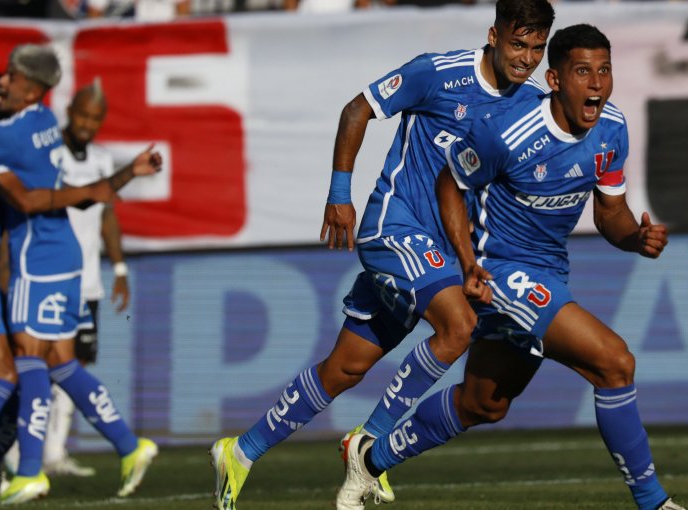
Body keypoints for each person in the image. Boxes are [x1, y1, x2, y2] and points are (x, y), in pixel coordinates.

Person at [210, 1, 554, 508]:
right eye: (517, 44)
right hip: (394, 228)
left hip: (440, 255)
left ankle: (239, 451)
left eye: (537, 49)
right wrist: (339, 193)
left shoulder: (529, 107)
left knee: (344, 369)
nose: (526, 58)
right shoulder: (436, 73)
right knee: (457, 326)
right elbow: (358, 109)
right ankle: (369, 441)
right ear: (494, 35)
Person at [339, 24, 686, 510]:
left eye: (604, 71)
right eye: (583, 71)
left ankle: (369, 461)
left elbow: (610, 213)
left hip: (548, 269)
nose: (597, 84)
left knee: (483, 404)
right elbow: (448, 183)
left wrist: (635, 237)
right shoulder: (508, 134)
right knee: (614, 361)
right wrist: (466, 264)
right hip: (499, 271)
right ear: (555, 80)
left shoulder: (612, 129)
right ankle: (654, 502)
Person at [0, 44, 161, 504]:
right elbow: (74, 192)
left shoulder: (3, 136)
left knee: (29, 358)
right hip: (66, 256)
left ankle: (28, 470)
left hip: (36, 257)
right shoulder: (44, 123)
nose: (1, 81)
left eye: (10, 75)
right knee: (62, 361)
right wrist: (119, 178)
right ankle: (129, 443)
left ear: (32, 89)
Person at [41, 79, 132, 478]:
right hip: (46, 276)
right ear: (69, 111)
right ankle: (13, 453)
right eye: (82, 115)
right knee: (33, 364)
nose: (87, 124)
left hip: (88, 283)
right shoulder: (47, 154)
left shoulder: (100, 160)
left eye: (95, 119)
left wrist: (120, 268)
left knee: (74, 366)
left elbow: (107, 215)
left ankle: (54, 453)